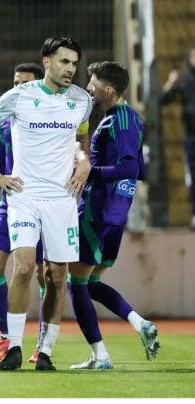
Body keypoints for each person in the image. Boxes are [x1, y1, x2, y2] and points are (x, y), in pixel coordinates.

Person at [0, 37, 93, 370]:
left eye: (74, 63)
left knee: (57, 276)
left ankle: (46, 352)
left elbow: (81, 139)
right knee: (23, 266)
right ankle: (13, 346)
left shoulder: (82, 100)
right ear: (46, 62)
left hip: (62, 199)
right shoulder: (19, 96)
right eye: (64, 61)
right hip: (24, 196)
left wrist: (84, 162)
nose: (71, 69)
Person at [68, 61, 159, 369]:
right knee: (91, 283)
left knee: (75, 283)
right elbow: (141, 171)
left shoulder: (116, 121)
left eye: (92, 84)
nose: (88, 89)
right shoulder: (134, 118)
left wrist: (90, 170)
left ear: (108, 90)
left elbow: (129, 167)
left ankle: (101, 356)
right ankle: (140, 323)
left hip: (97, 212)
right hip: (117, 215)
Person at [0, 63, 47, 364]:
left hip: (43, 202)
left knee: (44, 274)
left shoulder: (50, 119)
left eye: (25, 83)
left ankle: (42, 344)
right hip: (11, 201)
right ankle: (6, 338)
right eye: (15, 82)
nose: (18, 88)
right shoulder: (5, 122)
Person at [160, 46, 195, 229]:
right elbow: (164, 99)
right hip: (191, 135)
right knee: (193, 176)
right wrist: (170, 82)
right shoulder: (185, 79)